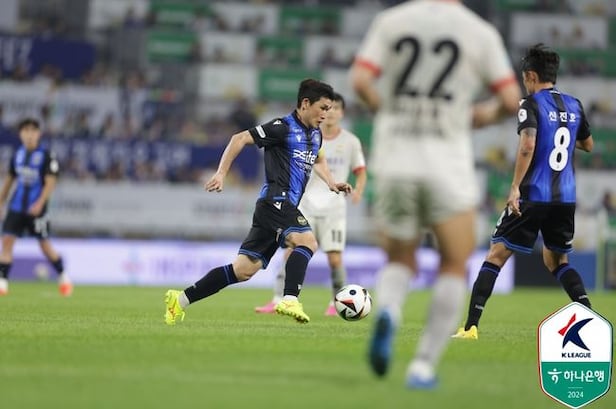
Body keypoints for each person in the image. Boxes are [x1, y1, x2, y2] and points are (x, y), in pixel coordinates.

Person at [350, 0, 521, 389]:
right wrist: (478, 117)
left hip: (395, 159)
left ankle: (389, 311)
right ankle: (422, 367)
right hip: (447, 162)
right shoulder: (479, 32)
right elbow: (511, 100)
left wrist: (388, 113)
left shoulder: (391, 21)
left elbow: (360, 80)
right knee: (454, 263)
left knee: (400, 257)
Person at [164, 79, 352, 325]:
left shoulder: (315, 134)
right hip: (276, 200)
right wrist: (221, 173)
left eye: (330, 109)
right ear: (306, 103)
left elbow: (318, 159)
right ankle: (289, 299)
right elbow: (239, 138)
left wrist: (331, 182)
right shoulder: (282, 127)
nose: (326, 114)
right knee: (307, 241)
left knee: (243, 270)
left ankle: (180, 300)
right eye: (323, 108)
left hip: (276, 208)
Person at [453, 44, 594, 340]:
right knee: (557, 262)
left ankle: (470, 327)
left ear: (530, 76)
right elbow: (588, 144)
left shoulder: (529, 104)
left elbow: (528, 145)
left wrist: (515, 186)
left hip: (532, 194)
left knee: (496, 255)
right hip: (565, 198)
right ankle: (591, 320)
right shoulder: (575, 104)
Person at [254, 92, 367, 316]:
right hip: (305, 203)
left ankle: (336, 303)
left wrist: (359, 192)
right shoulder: (309, 136)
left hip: (334, 207)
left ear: (342, 113)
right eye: (327, 108)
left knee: (334, 258)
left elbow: (360, 170)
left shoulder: (351, 141)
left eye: (336, 109)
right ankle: (277, 299)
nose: (331, 113)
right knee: (290, 250)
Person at [0, 118, 72, 296]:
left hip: (36, 208)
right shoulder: (17, 155)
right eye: (26, 131)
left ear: (39, 134)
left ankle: (63, 276)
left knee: (44, 245)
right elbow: (10, 180)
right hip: (16, 206)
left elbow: (50, 182)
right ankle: (2, 282)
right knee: (7, 241)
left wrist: (40, 203)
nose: (29, 135)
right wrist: (1, 201)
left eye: (33, 131)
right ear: (20, 134)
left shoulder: (46, 156)